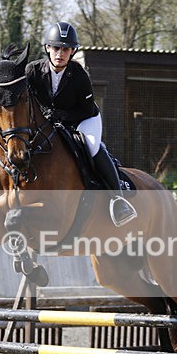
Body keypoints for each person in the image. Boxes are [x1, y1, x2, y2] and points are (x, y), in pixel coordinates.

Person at [26, 21, 137, 227]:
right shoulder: (32, 71)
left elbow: (85, 109)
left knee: (92, 146)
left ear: (72, 51)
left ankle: (118, 199)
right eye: (56, 48)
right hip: (49, 123)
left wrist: (59, 116)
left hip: (83, 120)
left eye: (66, 49)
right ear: (47, 48)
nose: (60, 53)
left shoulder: (79, 74)